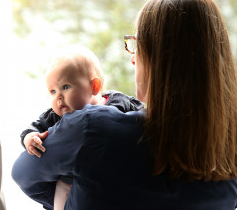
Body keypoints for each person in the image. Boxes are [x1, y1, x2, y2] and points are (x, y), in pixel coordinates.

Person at [12, 0, 237, 209]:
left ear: (163, 61)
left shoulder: (92, 130)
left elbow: (24, 173)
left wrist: (78, 190)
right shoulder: (231, 163)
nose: (132, 60)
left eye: (138, 46)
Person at [18, 45, 143, 210]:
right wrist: (30, 138)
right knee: (62, 193)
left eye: (66, 87)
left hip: (113, 176)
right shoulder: (56, 115)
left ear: (94, 87)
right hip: (70, 181)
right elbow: (34, 127)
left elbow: (143, 116)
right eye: (53, 91)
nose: (58, 97)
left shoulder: (119, 102)